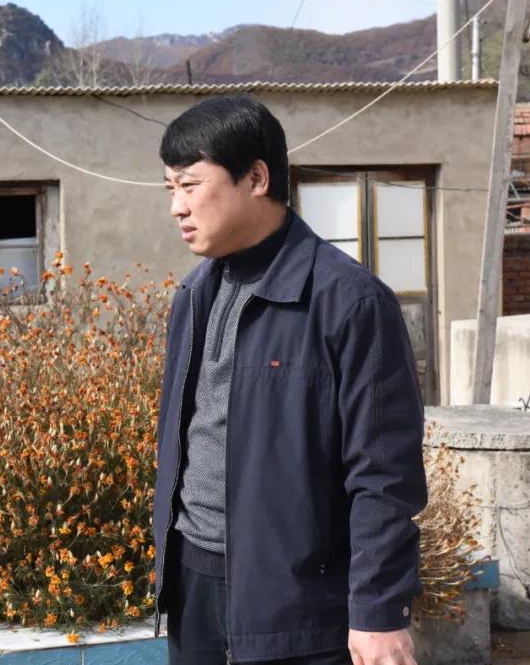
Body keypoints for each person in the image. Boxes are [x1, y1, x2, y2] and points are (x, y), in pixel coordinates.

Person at [153, 96, 427, 665]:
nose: (177, 207)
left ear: (257, 178)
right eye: (170, 189)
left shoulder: (349, 302)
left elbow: (383, 473)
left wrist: (378, 609)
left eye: (191, 185)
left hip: (299, 607)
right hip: (193, 586)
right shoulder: (194, 296)